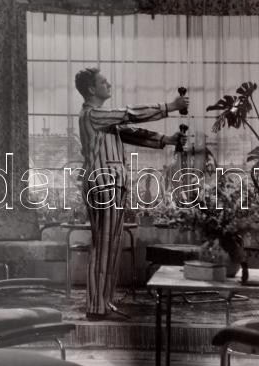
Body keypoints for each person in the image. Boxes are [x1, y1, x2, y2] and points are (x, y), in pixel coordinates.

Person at [76, 67, 188, 320]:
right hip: (104, 184)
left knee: (110, 246)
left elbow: (130, 133)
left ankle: (103, 304)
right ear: (91, 89)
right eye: (103, 82)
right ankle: (97, 307)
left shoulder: (102, 120)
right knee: (104, 246)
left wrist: (166, 140)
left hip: (110, 183)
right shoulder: (93, 114)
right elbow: (130, 114)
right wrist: (170, 106)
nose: (109, 84)